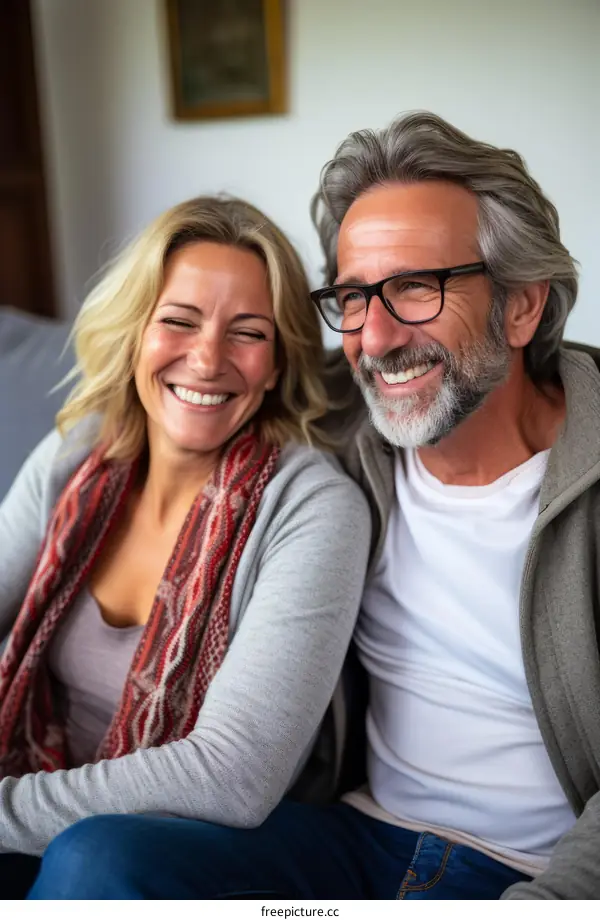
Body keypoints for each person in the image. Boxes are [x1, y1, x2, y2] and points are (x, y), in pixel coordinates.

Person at [27, 112, 598, 900]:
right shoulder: (336, 416)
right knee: (98, 860)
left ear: (523, 306)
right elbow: (190, 387)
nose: (376, 336)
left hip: (537, 871)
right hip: (352, 841)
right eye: (355, 296)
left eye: (415, 288)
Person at [0, 195, 371, 897]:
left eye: (248, 332)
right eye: (178, 320)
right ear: (137, 331)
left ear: (279, 358)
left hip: (173, 849)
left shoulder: (313, 508)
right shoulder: (75, 454)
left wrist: (6, 811)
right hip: (31, 799)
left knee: (90, 858)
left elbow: (233, 776)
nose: (207, 360)